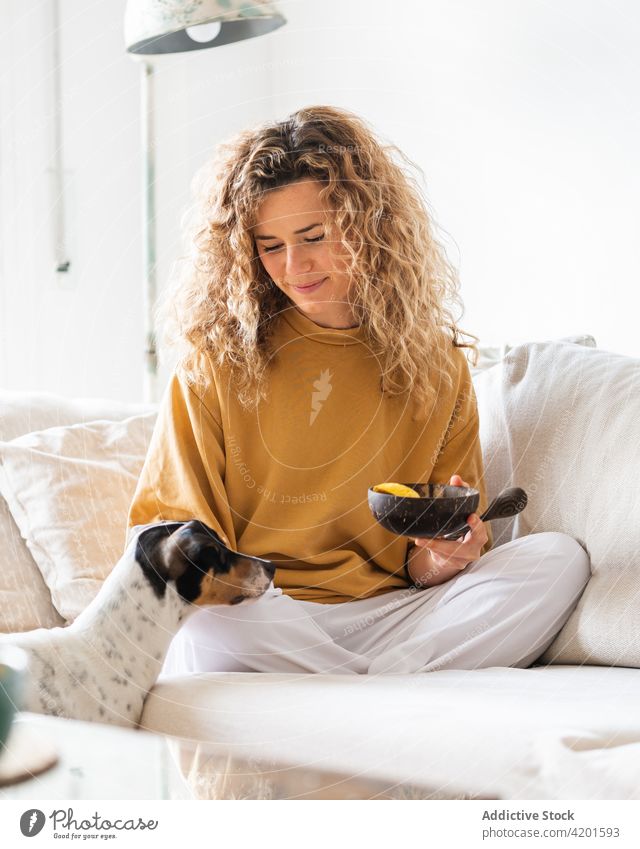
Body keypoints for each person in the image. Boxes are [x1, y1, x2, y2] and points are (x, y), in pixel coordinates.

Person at [125, 105, 590, 676]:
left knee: (556, 560)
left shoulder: (436, 367)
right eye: (270, 246)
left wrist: (449, 556)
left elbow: (420, 566)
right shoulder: (215, 362)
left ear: (369, 224)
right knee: (207, 610)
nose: (293, 266)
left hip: (389, 617)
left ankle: (358, 686)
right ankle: (391, 686)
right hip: (263, 618)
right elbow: (171, 538)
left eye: (313, 236)